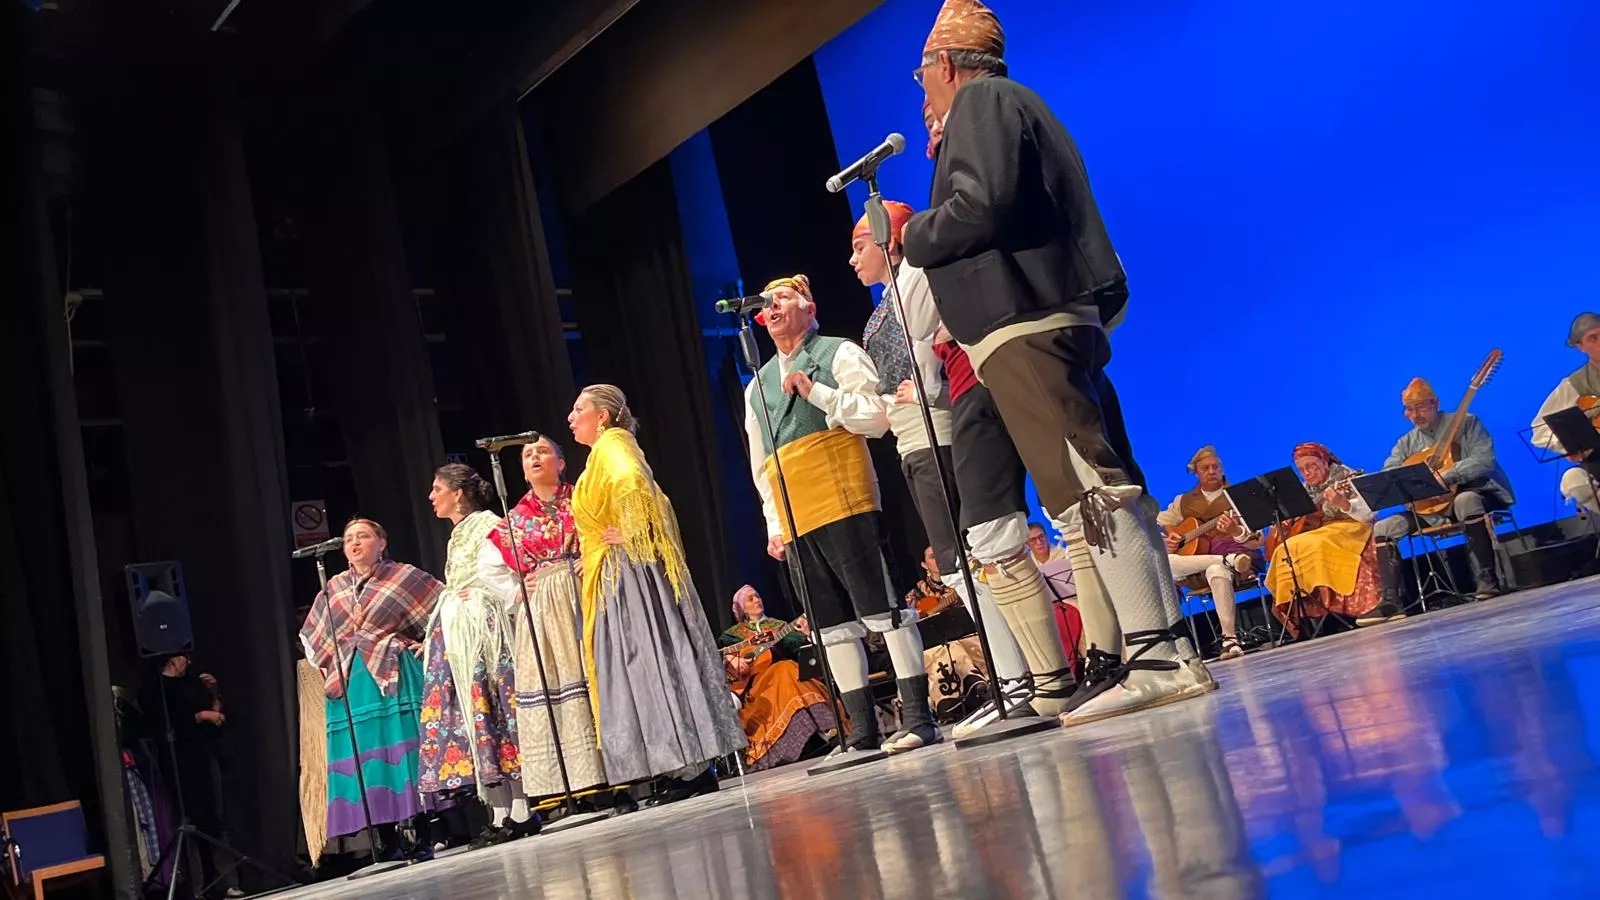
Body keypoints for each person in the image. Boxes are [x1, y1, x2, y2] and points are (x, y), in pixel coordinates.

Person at [903, 0, 1210, 726]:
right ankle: (1164, 650)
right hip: (1043, 319)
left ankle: (1160, 657)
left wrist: (918, 231)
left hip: (1024, 322)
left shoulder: (982, 101)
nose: (924, 96)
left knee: (1089, 486)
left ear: (945, 65)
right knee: (1098, 482)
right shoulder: (1010, 103)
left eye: (924, 80)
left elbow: (981, 205)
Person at [742, 276, 940, 754]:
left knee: (882, 608)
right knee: (830, 625)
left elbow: (875, 417)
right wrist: (774, 522)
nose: (773, 306)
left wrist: (818, 394)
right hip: (796, 513)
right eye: (768, 302)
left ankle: (917, 716)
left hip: (844, 495)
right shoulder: (757, 385)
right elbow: (760, 461)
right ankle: (862, 731)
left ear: (810, 308)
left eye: (784, 296)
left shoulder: (837, 353)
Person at [569, 385, 745, 800]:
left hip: (628, 575)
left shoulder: (613, 445)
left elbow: (634, 484)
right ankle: (678, 764)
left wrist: (630, 532)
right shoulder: (604, 451)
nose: (571, 417)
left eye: (579, 409)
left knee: (650, 660)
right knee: (640, 667)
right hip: (614, 574)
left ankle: (690, 767)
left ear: (604, 417)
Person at [298, 518, 439, 853]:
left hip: (393, 676)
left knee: (403, 754)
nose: (355, 543)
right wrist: (325, 663)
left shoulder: (402, 576)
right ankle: (385, 840)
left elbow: (442, 605)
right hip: (350, 683)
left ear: (381, 542)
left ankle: (422, 834)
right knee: (367, 761)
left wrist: (428, 642)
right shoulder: (333, 586)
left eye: (363, 536)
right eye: (349, 539)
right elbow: (311, 636)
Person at [482, 437, 609, 803]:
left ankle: (620, 771)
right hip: (545, 609)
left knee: (597, 675)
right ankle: (579, 783)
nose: (535, 457)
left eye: (542, 451)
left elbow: (608, 528)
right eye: (527, 454)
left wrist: (595, 555)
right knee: (558, 683)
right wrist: (519, 589)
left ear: (561, 461)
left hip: (588, 594)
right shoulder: (515, 518)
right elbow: (489, 568)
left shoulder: (583, 497)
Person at [416, 464, 530, 847]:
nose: (432, 497)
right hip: (461, 635)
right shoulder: (457, 535)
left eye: (437, 489)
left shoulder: (486, 524)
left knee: (496, 712)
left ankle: (521, 809)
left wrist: (476, 593)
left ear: (458, 494)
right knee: (476, 720)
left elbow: (503, 573)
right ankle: (498, 812)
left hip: (485, 633)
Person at [1372, 378, 1514, 600]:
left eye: (1421, 407)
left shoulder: (1466, 423)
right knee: (1383, 527)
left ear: (1435, 403)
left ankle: (1487, 579)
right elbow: (1391, 474)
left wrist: (1447, 475)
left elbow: (1484, 459)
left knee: (1465, 500)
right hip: (1429, 508)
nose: (1415, 414)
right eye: (1409, 409)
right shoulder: (1405, 443)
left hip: (1473, 493)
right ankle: (1389, 599)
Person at [141, 654, 242, 898]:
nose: (188, 661)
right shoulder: (157, 689)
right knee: (188, 823)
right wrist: (198, 717)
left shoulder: (193, 684)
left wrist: (214, 696)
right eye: (183, 657)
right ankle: (197, 888)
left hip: (204, 757)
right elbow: (162, 726)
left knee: (216, 820)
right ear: (172, 660)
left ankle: (226, 882)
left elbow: (215, 722)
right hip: (179, 762)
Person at [1265, 443, 1383, 634]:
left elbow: (1369, 515)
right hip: (1322, 531)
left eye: (1311, 465)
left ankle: (1339, 605)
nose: (1308, 473)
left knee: (1316, 544)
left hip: (1353, 527)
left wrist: (1343, 503)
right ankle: (1306, 612)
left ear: (1325, 461)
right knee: (1286, 548)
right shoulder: (1304, 491)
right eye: (1302, 469)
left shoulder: (1347, 477)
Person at [1157, 447, 1261, 660]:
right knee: (1166, 561)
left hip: (1239, 562)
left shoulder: (1237, 496)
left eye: (1216, 467)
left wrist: (1234, 530)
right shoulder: (1182, 501)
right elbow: (1156, 523)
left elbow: (1257, 536)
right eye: (1206, 468)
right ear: (1196, 472)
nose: (1212, 471)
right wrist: (1169, 538)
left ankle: (1229, 639)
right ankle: (1227, 560)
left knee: (1216, 569)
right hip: (1194, 569)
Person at [718, 586, 835, 771]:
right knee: (785, 670)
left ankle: (821, 731)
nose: (757, 600)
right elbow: (720, 661)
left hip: (788, 677)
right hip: (757, 689)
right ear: (742, 608)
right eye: (750, 599)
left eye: (757, 595)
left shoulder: (779, 626)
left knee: (786, 669)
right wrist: (733, 659)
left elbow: (798, 649)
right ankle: (824, 729)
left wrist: (805, 634)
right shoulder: (731, 635)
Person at [1531, 312, 1600, 514]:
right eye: (1592, 338)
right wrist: (1572, 446)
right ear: (1580, 347)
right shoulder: (1574, 384)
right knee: (1573, 481)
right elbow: (1540, 429)